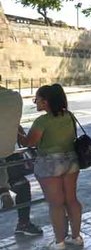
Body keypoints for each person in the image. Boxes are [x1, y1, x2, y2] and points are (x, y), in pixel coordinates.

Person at [18, 84, 83, 250]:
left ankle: (59, 242)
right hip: (71, 160)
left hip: (49, 163)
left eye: (37, 99)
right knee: (72, 200)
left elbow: (29, 142)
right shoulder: (69, 116)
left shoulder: (42, 121)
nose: (35, 103)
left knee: (56, 203)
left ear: (46, 102)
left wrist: (18, 132)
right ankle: (76, 237)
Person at [0, 87, 42, 235]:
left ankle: (3, 190)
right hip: (8, 154)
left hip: (4, 158)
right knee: (22, 186)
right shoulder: (14, 97)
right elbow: (14, 123)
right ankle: (23, 223)